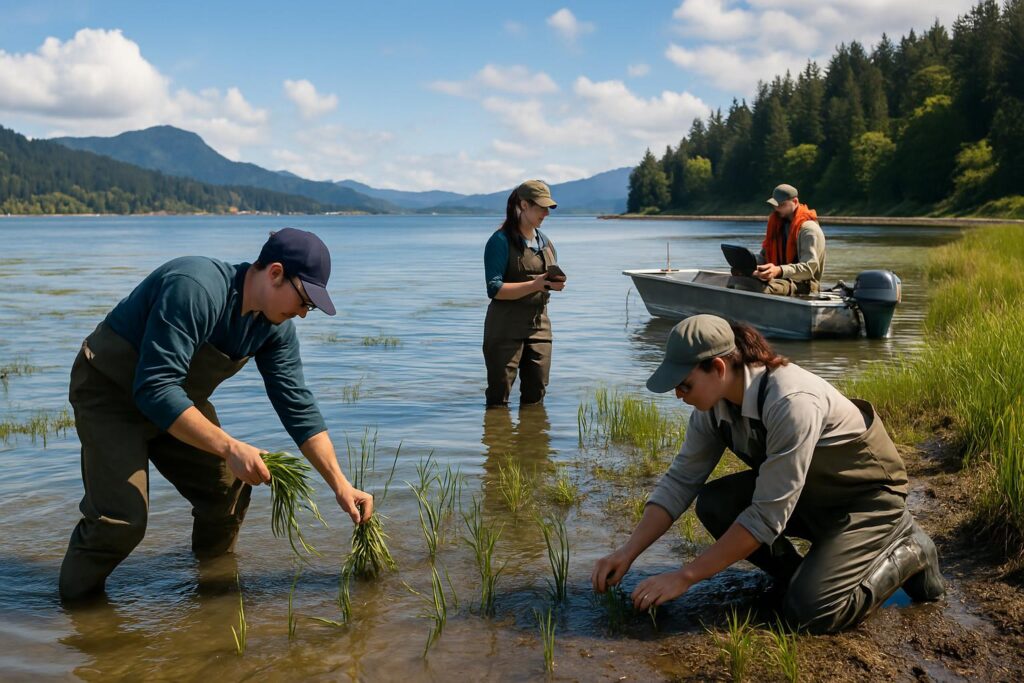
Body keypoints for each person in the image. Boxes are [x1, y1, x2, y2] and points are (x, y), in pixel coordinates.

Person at [59, 228, 373, 602]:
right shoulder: (195, 288)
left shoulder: (274, 328)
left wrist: (339, 483)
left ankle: (210, 588)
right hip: (111, 394)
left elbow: (297, 405)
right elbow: (155, 388)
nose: (304, 314)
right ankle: (76, 614)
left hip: (177, 399)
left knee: (228, 488)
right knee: (121, 521)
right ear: (275, 273)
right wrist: (229, 447)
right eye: (304, 300)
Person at [592, 314, 944, 634]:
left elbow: (766, 515)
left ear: (718, 367)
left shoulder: (791, 401)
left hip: (868, 503)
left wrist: (686, 576)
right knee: (715, 502)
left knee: (810, 614)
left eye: (684, 385)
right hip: (811, 496)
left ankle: (910, 549)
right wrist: (627, 552)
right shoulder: (712, 408)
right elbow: (680, 481)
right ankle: (798, 577)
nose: (678, 395)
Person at [482, 180, 565, 407]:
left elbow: (545, 281)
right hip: (504, 329)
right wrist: (536, 285)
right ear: (524, 205)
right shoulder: (499, 241)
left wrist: (552, 284)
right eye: (541, 207)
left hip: (540, 327)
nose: (546, 213)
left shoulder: (546, 242)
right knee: (499, 399)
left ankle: (533, 441)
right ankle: (498, 440)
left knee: (536, 394)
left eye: (548, 208)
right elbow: (494, 289)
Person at [728, 183, 826, 296]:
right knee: (737, 277)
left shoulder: (809, 230)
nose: (776, 208)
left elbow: (809, 269)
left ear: (794, 202)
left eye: (781, 204)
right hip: (780, 278)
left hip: (804, 285)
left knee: (757, 288)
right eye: (775, 205)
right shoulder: (777, 224)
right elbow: (764, 257)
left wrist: (779, 270)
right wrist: (751, 266)